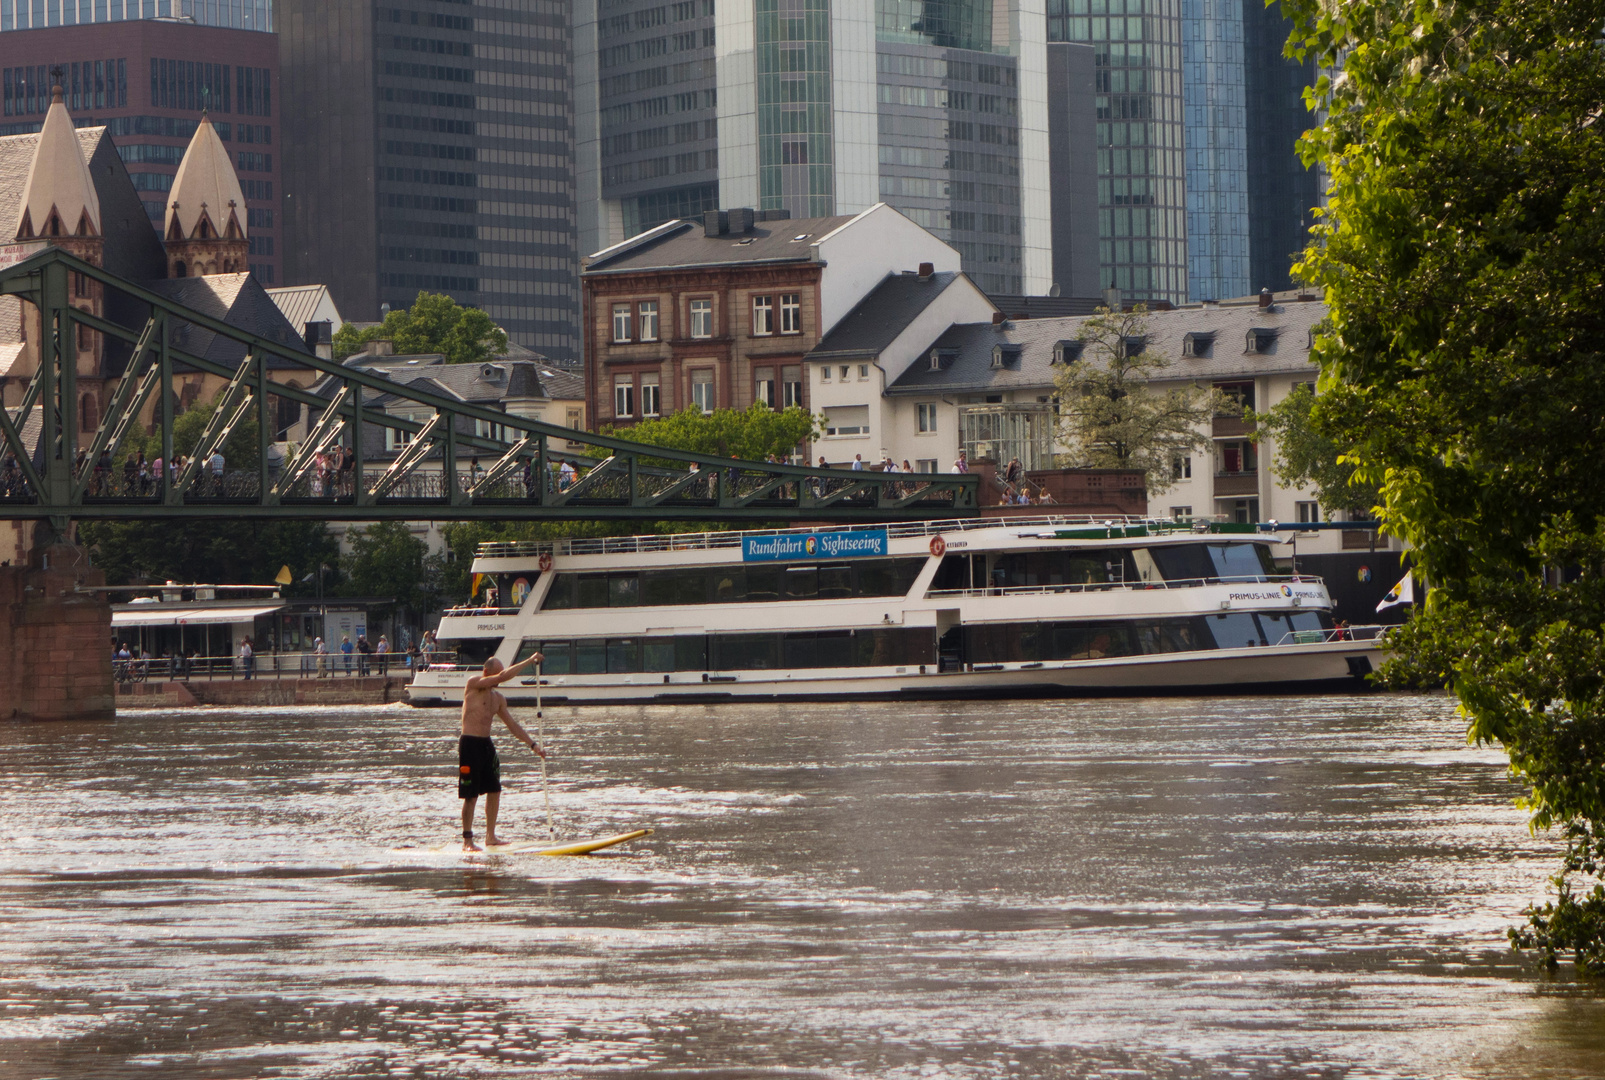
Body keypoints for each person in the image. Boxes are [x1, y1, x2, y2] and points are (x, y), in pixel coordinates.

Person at [457, 652, 547, 850]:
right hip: (469, 744)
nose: (500, 680)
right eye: (497, 675)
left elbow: (512, 725)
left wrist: (533, 745)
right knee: (471, 795)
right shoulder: (474, 684)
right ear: (487, 672)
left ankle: (490, 837)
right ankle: (467, 841)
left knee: (494, 789)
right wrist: (530, 661)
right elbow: (503, 676)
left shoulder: (498, 698)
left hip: (486, 745)